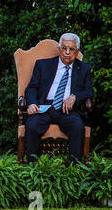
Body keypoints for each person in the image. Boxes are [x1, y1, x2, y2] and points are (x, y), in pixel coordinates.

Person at [24, 33, 94, 164]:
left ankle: (74, 169)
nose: (67, 52)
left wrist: (75, 96)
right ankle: (31, 167)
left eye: (72, 49)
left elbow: (89, 92)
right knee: (32, 125)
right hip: (45, 107)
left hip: (68, 110)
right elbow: (32, 87)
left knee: (78, 126)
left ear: (77, 51)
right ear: (59, 49)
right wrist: (32, 103)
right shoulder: (42, 65)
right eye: (64, 48)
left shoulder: (84, 69)